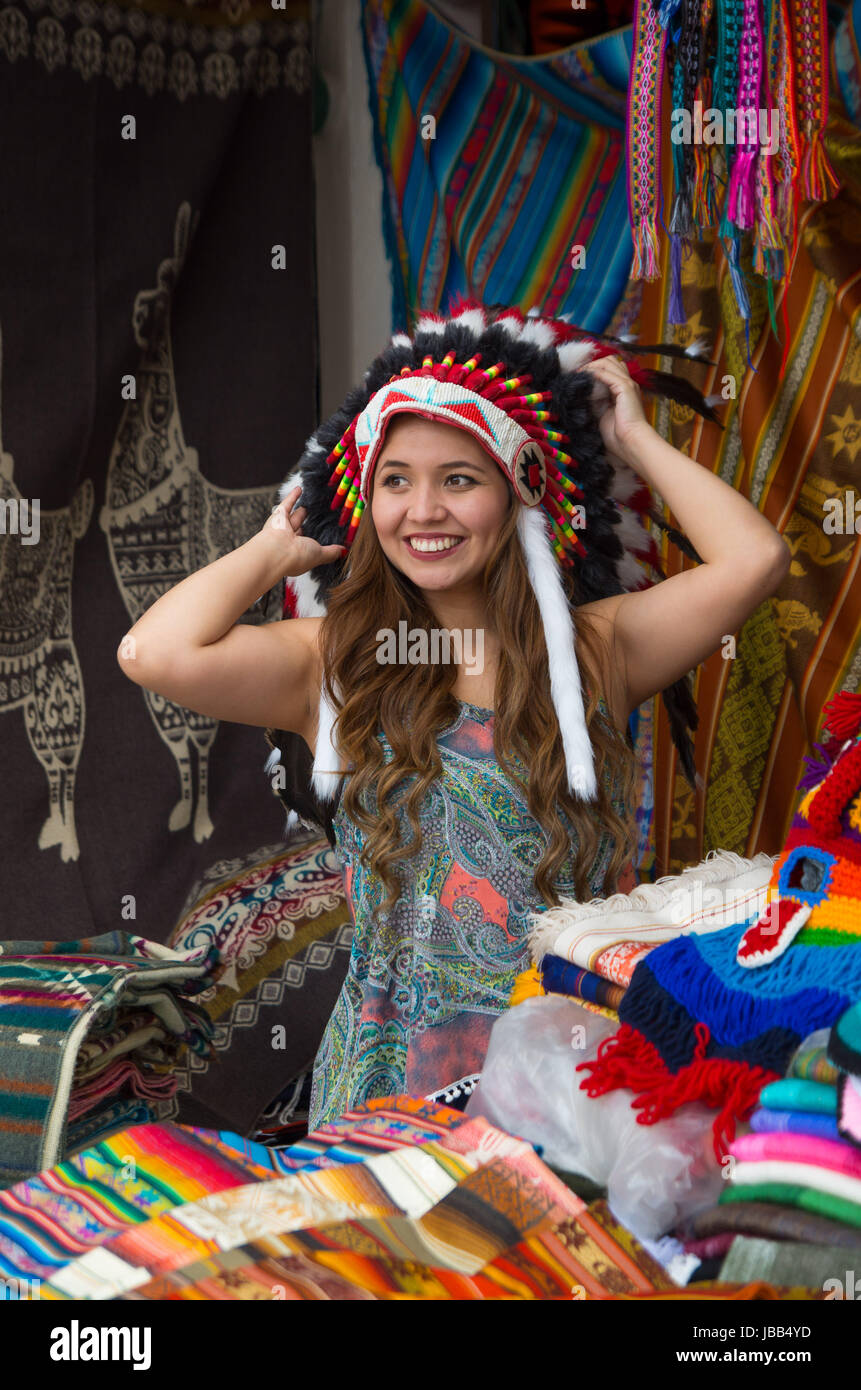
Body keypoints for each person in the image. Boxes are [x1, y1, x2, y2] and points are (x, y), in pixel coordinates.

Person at [118, 303, 791, 1127]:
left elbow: (755, 559)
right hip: (385, 1082)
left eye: (458, 480)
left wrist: (634, 442)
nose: (423, 509)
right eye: (395, 480)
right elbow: (152, 655)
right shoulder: (333, 662)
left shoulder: (595, 651)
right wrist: (279, 546)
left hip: (570, 1070)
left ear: (515, 496)